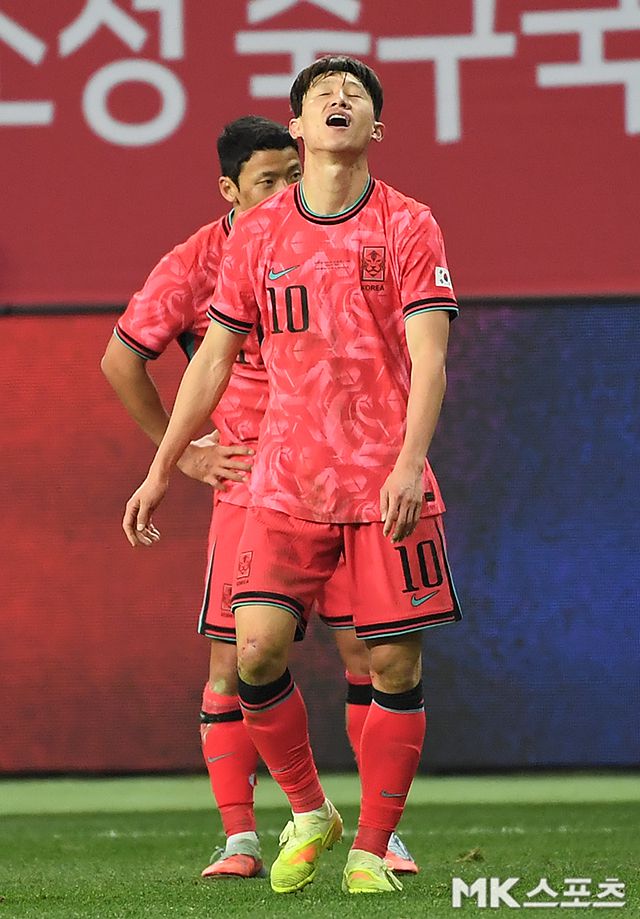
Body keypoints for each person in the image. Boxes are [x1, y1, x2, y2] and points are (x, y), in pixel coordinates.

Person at [122, 57, 461, 895]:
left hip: (383, 484)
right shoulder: (259, 232)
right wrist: (165, 464)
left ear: (376, 127)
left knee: (391, 666)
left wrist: (409, 463)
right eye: (321, 95)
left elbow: (430, 357)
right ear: (300, 127)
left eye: (355, 95)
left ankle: (373, 847)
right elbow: (212, 360)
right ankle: (308, 809)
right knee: (254, 654)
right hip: (283, 484)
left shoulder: (411, 223)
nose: (339, 100)